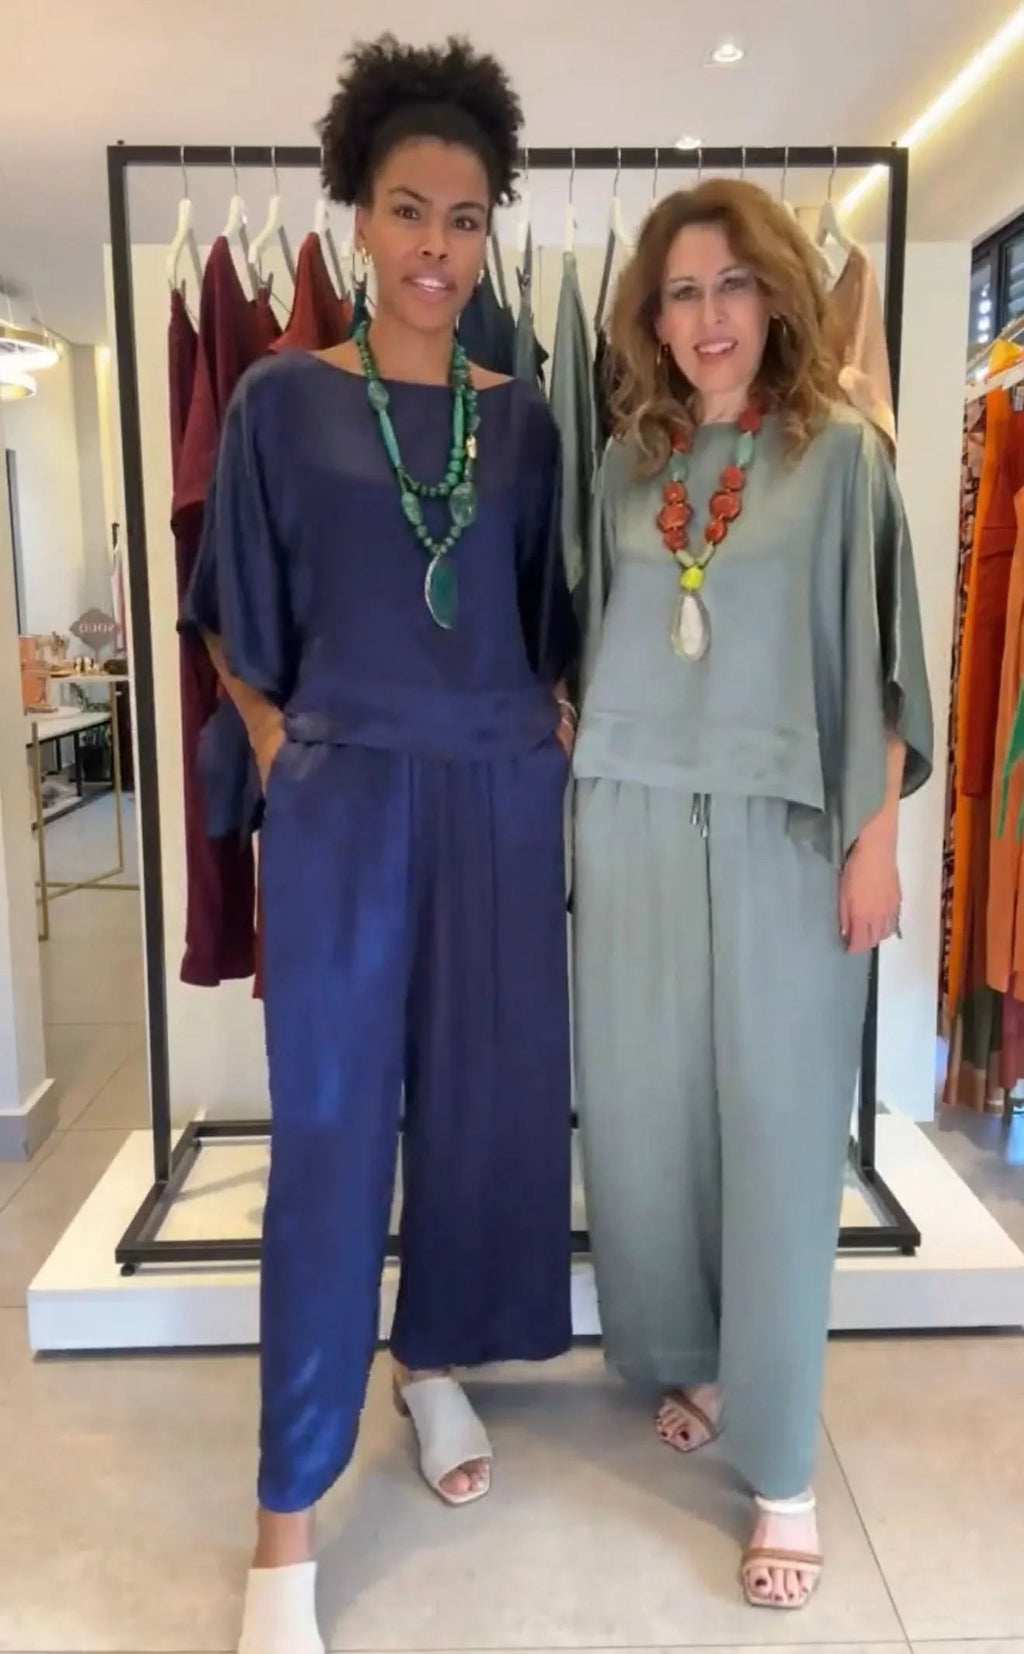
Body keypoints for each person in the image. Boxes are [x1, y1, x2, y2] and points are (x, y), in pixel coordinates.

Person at [182, 35, 576, 1654]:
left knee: (483, 1113)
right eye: (410, 209)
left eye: (466, 218)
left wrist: (538, 741)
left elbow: (548, 621)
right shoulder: (281, 399)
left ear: (489, 235)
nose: (437, 247)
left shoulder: (525, 419)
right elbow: (228, 612)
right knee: (333, 1138)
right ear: (356, 215)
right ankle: (285, 1518)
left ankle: (433, 1362)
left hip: (494, 797)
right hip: (346, 803)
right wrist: (285, 744)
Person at [572, 179, 932, 1611]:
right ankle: (701, 1361)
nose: (708, 315)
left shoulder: (840, 454)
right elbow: (588, 645)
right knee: (651, 1117)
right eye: (681, 291)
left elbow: (884, 659)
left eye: (731, 285)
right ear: (650, 317)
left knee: (781, 1136)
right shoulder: (626, 463)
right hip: (632, 820)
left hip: (788, 826)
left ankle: (783, 1469)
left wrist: (874, 842)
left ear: (777, 295)